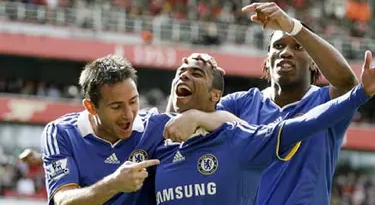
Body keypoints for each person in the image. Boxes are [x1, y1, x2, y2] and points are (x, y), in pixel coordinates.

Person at [163, 2, 359, 205]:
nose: (286, 52)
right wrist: (185, 77)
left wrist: (293, 26)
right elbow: (178, 124)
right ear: (266, 61)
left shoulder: (325, 102)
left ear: (313, 62)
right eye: (279, 46)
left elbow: (348, 83)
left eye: (298, 46)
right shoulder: (241, 104)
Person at [132, 52, 374, 205]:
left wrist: (360, 94)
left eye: (196, 73)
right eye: (180, 73)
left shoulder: (238, 141)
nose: (184, 77)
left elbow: (307, 122)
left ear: (216, 95)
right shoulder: (154, 140)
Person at [41, 55, 159, 205]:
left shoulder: (153, 125)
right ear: (91, 107)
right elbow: (63, 200)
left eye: (133, 101)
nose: (129, 114)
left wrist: (195, 116)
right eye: (116, 107)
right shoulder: (60, 133)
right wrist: (113, 184)